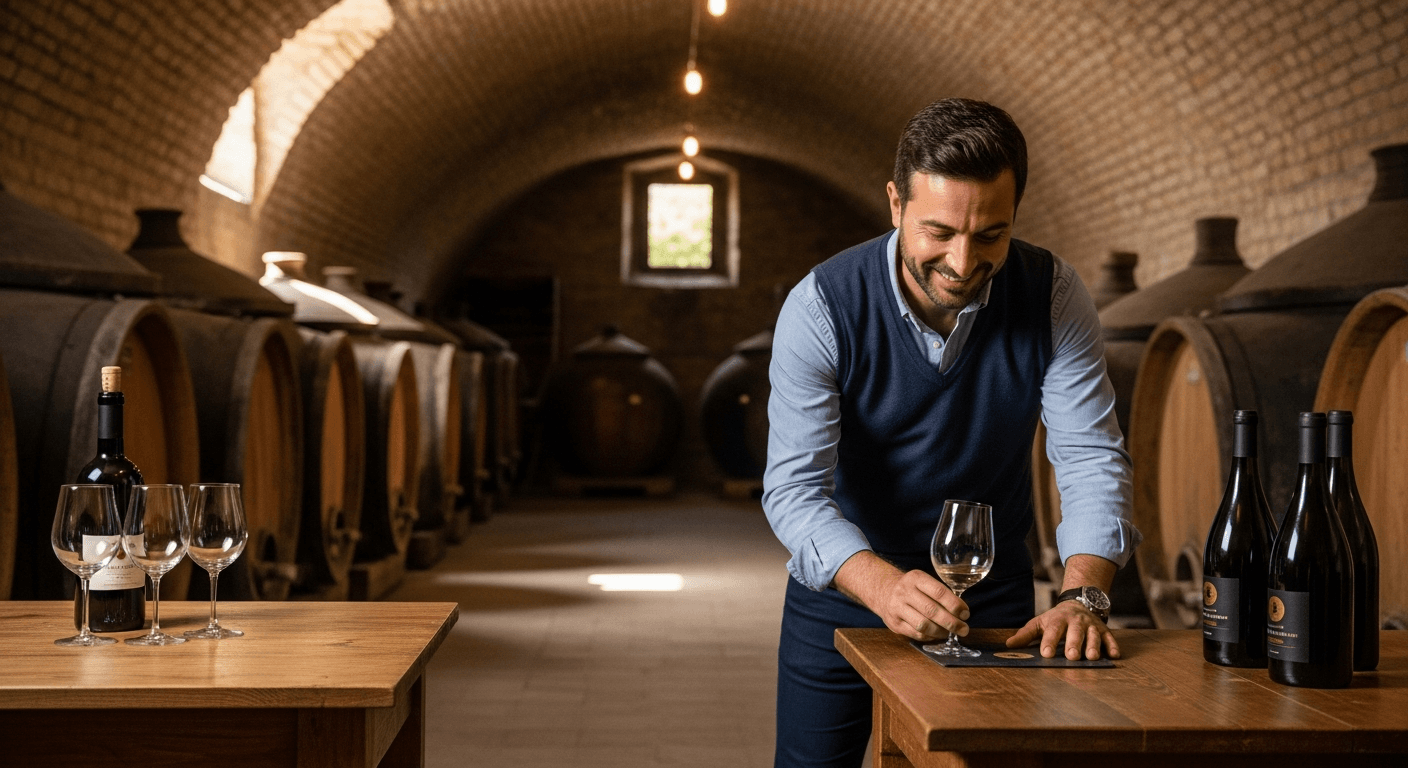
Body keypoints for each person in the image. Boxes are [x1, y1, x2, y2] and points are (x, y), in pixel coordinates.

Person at [762, 98, 1140, 768]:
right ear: (894, 205)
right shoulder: (821, 305)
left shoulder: (1054, 294)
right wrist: (881, 585)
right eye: (938, 232)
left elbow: (1089, 457)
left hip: (992, 599)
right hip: (845, 594)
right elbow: (794, 489)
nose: (963, 262)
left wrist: (1082, 595)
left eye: (990, 235)